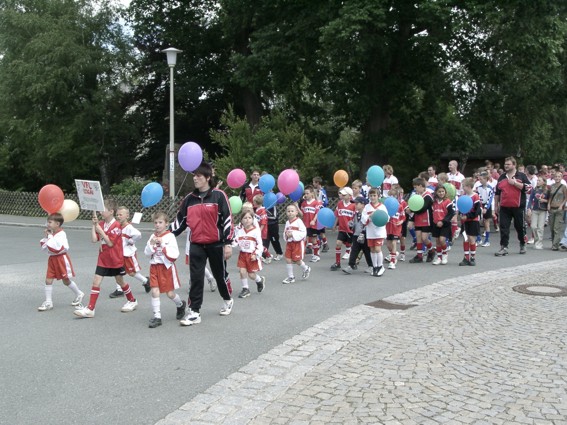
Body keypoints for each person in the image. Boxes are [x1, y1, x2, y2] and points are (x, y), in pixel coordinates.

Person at [171, 161, 235, 326]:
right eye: (194, 176)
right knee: (196, 278)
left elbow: (227, 220)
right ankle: (194, 312)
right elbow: (180, 222)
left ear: (207, 177)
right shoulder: (189, 199)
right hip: (197, 244)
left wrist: (228, 243)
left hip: (216, 244)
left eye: (199, 176)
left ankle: (227, 299)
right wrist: (165, 235)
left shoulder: (219, 196)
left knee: (220, 276)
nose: (195, 179)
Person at [74, 199, 138, 318]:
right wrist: (94, 226)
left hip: (115, 259)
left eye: (103, 209)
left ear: (111, 211)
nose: (100, 211)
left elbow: (110, 243)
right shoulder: (102, 224)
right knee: (96, 281)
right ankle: (90, 308)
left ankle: (132, 300)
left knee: (120, 281)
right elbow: (94, 240)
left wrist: (100, 230)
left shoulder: (117, 226)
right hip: (103, 258)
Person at [144, 211, 185, 328]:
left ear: (166, 224)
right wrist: (151, 245)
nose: (157, 225)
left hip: (166, 268)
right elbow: (147, 253)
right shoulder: (152, 236)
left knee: (170, 294)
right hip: (154, 267)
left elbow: (174, 255)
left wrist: (163, 245)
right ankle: (157, 317)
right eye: (155, 223)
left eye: (160, 222)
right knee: (154, 291)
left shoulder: (170, 236)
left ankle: (180, 304)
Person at [38, 212, 84, 311]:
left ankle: (79, 293)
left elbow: (56, 248)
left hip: (61, 259)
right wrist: (47, 236)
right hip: (52, 259)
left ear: (57, 224)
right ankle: (48, 302)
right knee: (48, 279)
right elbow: (46, 246)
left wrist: (49, 236)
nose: (47, 224)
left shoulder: (61, 234)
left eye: (50, 222)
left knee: (66, 280)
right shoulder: (52, 233)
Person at [107, 206, 150, 298]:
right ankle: (119, 289)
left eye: (120, 215)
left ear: (127, 216)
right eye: (117, 214)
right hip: (118, 254)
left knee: (131, 273)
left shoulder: (129, 228)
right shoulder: (117, 226)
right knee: (117, 271)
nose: (118, 216)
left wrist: (131, 241)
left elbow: (138, 235)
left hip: (127, 254)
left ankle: (146, 281)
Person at [494, 156, 531, 256]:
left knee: (519, 226)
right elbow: (497, 193)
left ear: (514, 165)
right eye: (505, 164)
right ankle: (504, 247)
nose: (506, 166)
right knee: (504, 227)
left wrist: (515, 183)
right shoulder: (501, 177)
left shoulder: (521, 176)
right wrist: (496, 206)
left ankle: (523, 243)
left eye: (508, 164)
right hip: (504, 207)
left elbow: (529, 189)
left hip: (518, 206)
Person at [232, 210, 266, 297]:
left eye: (249, 218)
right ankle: (245, 289)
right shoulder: (240, 231)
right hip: (243, 254)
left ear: (253, 219)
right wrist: (230, 242)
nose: (247, 220)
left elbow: (260, 244)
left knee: (251, 275)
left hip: (252, 255)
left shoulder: (256, 231)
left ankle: (259, 280)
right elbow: (236, 242)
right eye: (245, 218)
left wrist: (256, 254)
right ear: (242, 220)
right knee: (242, 271)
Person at [342, 196, 372, 274]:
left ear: (363, 204)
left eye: (357, 203)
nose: (355, 205)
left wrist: (364, 231)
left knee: (367, 251)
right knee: (354, 250)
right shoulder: (356, 214)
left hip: (365, 235)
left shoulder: (366, 213)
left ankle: (371, 266)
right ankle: (351, 265)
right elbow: (355, 224)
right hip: (356, 234)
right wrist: (351, 225)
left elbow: (367, 223)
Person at [361, 188, 388, 276]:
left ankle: (380, 266)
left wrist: (380, 218)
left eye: (374, 195)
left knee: (377, 249)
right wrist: (369, 216)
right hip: (370, 231)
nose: (372, 197)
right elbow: (363, 218)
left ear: (378, 196)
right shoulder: (367, 207)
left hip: (379, 231)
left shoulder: (382, 207)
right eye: (371, 196)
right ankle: (375, 266)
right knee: (372, 250)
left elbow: (387, 218)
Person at [282, 203, 311, 284]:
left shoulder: (299, 221)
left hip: (297, 244)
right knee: (288, 259)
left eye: (292, 211)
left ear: (296, 212)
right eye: (288, 211)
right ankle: (291, 277)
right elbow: (285, 231)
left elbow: (303, 232)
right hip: (289, 243)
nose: (290, 212)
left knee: (297, 260)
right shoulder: (287, 222)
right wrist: (286, 235)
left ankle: (306, 268)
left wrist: (293, 234)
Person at [407, 178, 435, 263]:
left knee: (424, 238)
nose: (415, 189)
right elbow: (415, 207)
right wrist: (411, 218)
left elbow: (423, 208)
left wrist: (411, 210)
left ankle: (431, 250)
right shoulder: (417, 196)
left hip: (426, 219)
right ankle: (419, 256)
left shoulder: (428, 196)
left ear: (421, 186)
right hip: (418, 219)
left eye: (416, 187)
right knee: (418, 237)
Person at [459, 178, 482, 266]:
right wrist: (461, 214)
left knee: (471, 238)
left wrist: (467, 216)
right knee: (465, 238)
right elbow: (461, 207)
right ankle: (466, 257)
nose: (462, 188)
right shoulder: (463, 196)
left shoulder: (475, 196)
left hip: (473, 220)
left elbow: (476, 211)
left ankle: (472, 257)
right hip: (465, 221)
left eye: (463, 186)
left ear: (469, 187)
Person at [430, 185, 455, 265]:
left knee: (442, 240)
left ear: (445, 192)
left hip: (445, 224)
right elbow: (432, 213)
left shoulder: (447, 202)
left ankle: (445, 254)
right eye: (439, 192)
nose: (441, 193)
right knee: (437, 241)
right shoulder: (434, 202)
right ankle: (439, 257)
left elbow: (451, 213)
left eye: (442, 191)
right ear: (436, 193)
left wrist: (443, 221)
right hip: (436, 224)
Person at [385, 187, 406, 269]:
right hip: (388, 227)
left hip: (396, 227)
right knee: (388, 245)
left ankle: (392, 261)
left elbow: (403, 217)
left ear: (397, 197)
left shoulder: (399, 206)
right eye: (390, 196)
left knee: (394, 243)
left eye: (393, 196)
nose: (392, 198)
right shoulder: (385, 206)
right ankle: (394, 254)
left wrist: (401, 222)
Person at [300, 185, 322, 263]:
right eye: (305, 193)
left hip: (313, 224)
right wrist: (296, 206)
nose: (306, 195)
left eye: (307, 193)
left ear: (312, 193)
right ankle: (301, 254)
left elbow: (317, 212)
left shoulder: (316, 203)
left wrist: (313, 220)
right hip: (306, 224)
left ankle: (316, 255)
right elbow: (302, 214)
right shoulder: (304, 203)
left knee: (313, 239)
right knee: (304, 238)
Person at [547, 171, 567, 251]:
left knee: (556, 227)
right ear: (554, 178)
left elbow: (566, 197)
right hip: (552, 208)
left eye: (559, 176)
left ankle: (555, 245)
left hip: (559, 209)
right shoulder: (552, 186)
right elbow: (550, 196)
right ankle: (554, 243)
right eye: (556, 176)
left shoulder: (563, 187)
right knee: (551, 227)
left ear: (561, 177)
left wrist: (562, 205)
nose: (557, 178)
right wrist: (548, 204)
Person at [527, 176, 549, 250]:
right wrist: (529, 208)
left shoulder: (546, 190)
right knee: (533, 226)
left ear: (543, 182)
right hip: (535, 209)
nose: (538, 182)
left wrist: (544, 201)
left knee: (540, 227)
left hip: (542, 210)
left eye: (539, 180)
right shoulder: (535, 189)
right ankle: (536, 240)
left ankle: (539, 243)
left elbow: (549, 200)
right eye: (537, 180)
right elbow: (530, 199)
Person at [474, 172, 495, 247]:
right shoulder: (478, 188)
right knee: (477, 221)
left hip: (487, 206)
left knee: (486, 223)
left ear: (486, 179)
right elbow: (478, 197)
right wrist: (480, 207)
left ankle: (487, 240)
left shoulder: (490, 188)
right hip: (480, 205)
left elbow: (490, 199)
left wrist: (486, 208)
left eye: (481, 179)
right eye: (479, 179)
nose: (480, 180)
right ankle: (478, 238)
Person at [252, 194, 273, 263]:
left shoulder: (262, 211)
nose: (253, 202)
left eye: (254, 201)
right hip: (256, 230)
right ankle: (260, 256)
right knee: (257, 244)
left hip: (261, 231)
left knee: (260, 245)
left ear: (257, 202)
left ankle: (268, 255)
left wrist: (259, 231)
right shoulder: (257, 210)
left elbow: (263, 223)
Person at [312, 176, 329, 252]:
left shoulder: (322, 191)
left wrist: (320, 205)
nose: (313, 184)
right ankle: (320, 243)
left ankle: (325, 244)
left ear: (317, 183)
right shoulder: (315, 191)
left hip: (321, 212)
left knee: (321, 230)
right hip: (316, 211)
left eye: (314, 182)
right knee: (317, 230)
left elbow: (325, 202)